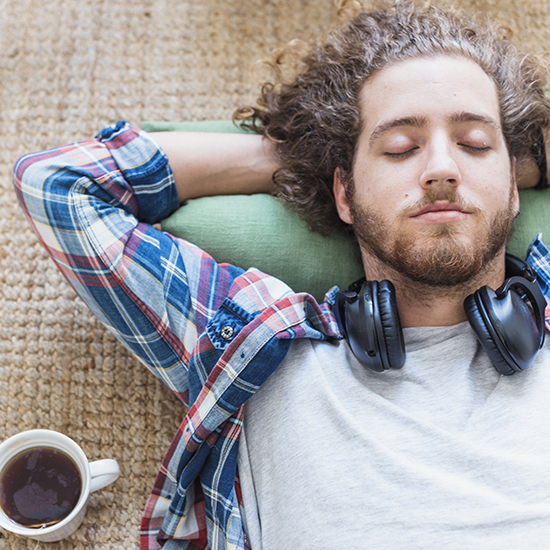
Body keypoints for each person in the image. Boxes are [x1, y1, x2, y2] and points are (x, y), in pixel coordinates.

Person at [13, 1, 550, 549]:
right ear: (345, 193)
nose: (441, 168)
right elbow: (57, 185)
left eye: (476, 144)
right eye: (398, 148)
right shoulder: (257, 341)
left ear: (515, 188)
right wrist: (304, 161)